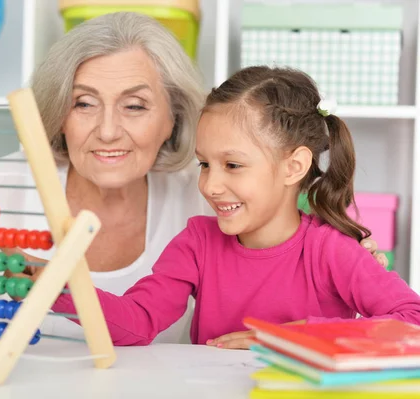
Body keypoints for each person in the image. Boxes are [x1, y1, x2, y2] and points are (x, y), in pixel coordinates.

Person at [0, 13, 386, 343]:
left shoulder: (210, 210)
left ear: (173, 119)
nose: (108, 130)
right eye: (84, 103)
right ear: (59, 115)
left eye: (135, 106)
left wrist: (342, 274)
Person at [48, 65, 420, 349]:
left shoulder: (330, 251)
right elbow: (140, 320)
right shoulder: (197, 243)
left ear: (294, 166)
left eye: (233, 165)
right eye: (204, 164)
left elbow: (412, 321)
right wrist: (58, 290)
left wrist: (291, 337)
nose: (210, 185)